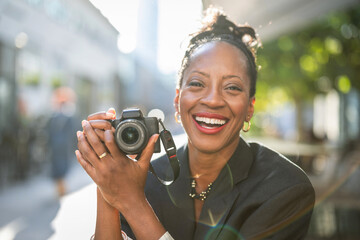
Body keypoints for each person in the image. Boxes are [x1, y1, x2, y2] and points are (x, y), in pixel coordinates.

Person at [75, 7, 315, 240]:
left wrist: (133, 203)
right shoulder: (145, 176)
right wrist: (108, 187)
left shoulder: (285, 189)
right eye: (198, 84)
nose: (212, 100)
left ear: (249, 109)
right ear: (178, 100)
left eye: (231, 87)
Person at [47, 86, 77, 197]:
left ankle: (62, 189)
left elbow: (71, 131)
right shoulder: (54, 115)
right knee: (57, 168)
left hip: (63, 146)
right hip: (56, 146)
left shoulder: (68, 114)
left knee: (62, 167)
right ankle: (60, 189)